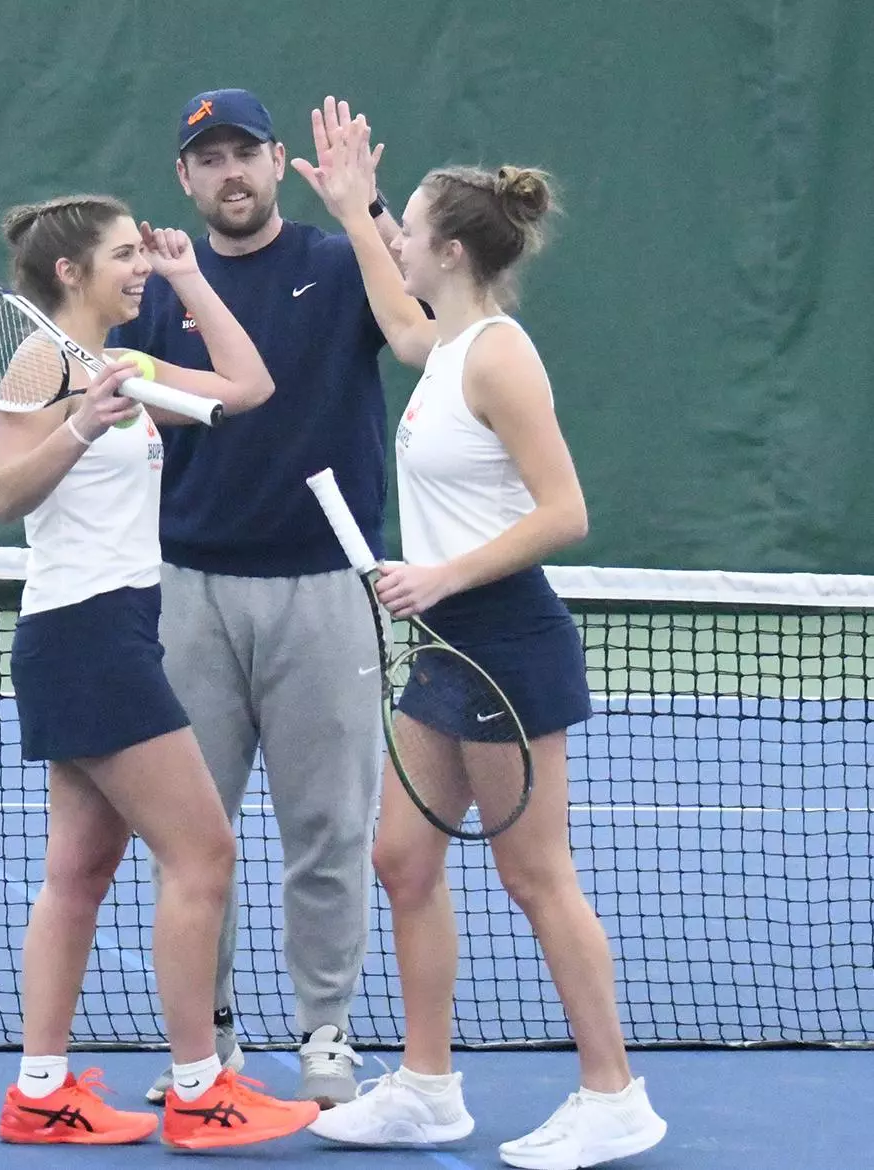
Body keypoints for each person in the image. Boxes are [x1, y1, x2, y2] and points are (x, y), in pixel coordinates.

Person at [294, 113, 668, 1168]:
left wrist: (441, 574)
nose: (397, 239)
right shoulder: (445, 345)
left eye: (408, 227)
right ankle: (425, 1088)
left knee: (536, 876)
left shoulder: (500, 356)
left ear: (451, 250)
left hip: (505, 638)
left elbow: (565, 512)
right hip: (446, 646)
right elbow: (399, 319)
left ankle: (614, 1095)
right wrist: (354, 210)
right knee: (403, 859)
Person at [0, 192, 320, 1150]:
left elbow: (248, 385)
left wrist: (188, 277)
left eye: (143, 254)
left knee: (80, 874)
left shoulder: (121, 360)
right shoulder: (42, 360)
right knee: (203, 854)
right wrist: (85, 423)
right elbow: (7, 494)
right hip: (84, 633)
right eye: (127, 255)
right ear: (70, 272)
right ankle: (199, 1090)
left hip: (119, 625)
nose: (140, 266)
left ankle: (42, 1091)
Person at [108, 90, 403, 1108]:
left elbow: (425, 314)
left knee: (330, 828)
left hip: (327, 593)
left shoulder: (337, 263)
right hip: (188, 590)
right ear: (184, 179)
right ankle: (210, 1042)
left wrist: (373, 215)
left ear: (279, 163)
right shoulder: (152, 290)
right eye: (208, 158)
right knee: (196, 835)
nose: (229, 172)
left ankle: (327, 1033)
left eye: (245, 152)